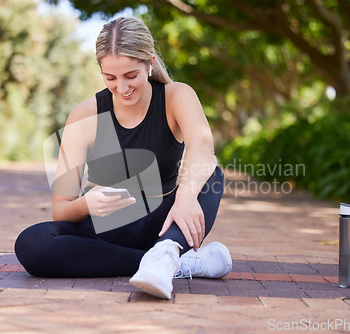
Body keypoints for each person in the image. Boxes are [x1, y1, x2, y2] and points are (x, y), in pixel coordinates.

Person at [15, 17, 232, 300]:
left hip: (164, 224)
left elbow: (203, 147)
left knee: (211, 177)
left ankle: (167, 251)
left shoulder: (176, 96)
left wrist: (187, 197)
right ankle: (171, 262)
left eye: (131, 76)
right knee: (32, 243)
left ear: (149, 63)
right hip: (106, 231)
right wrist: (87, 203)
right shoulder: (84, 115)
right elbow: (61, 209)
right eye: (110, 78)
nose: (122, 87)